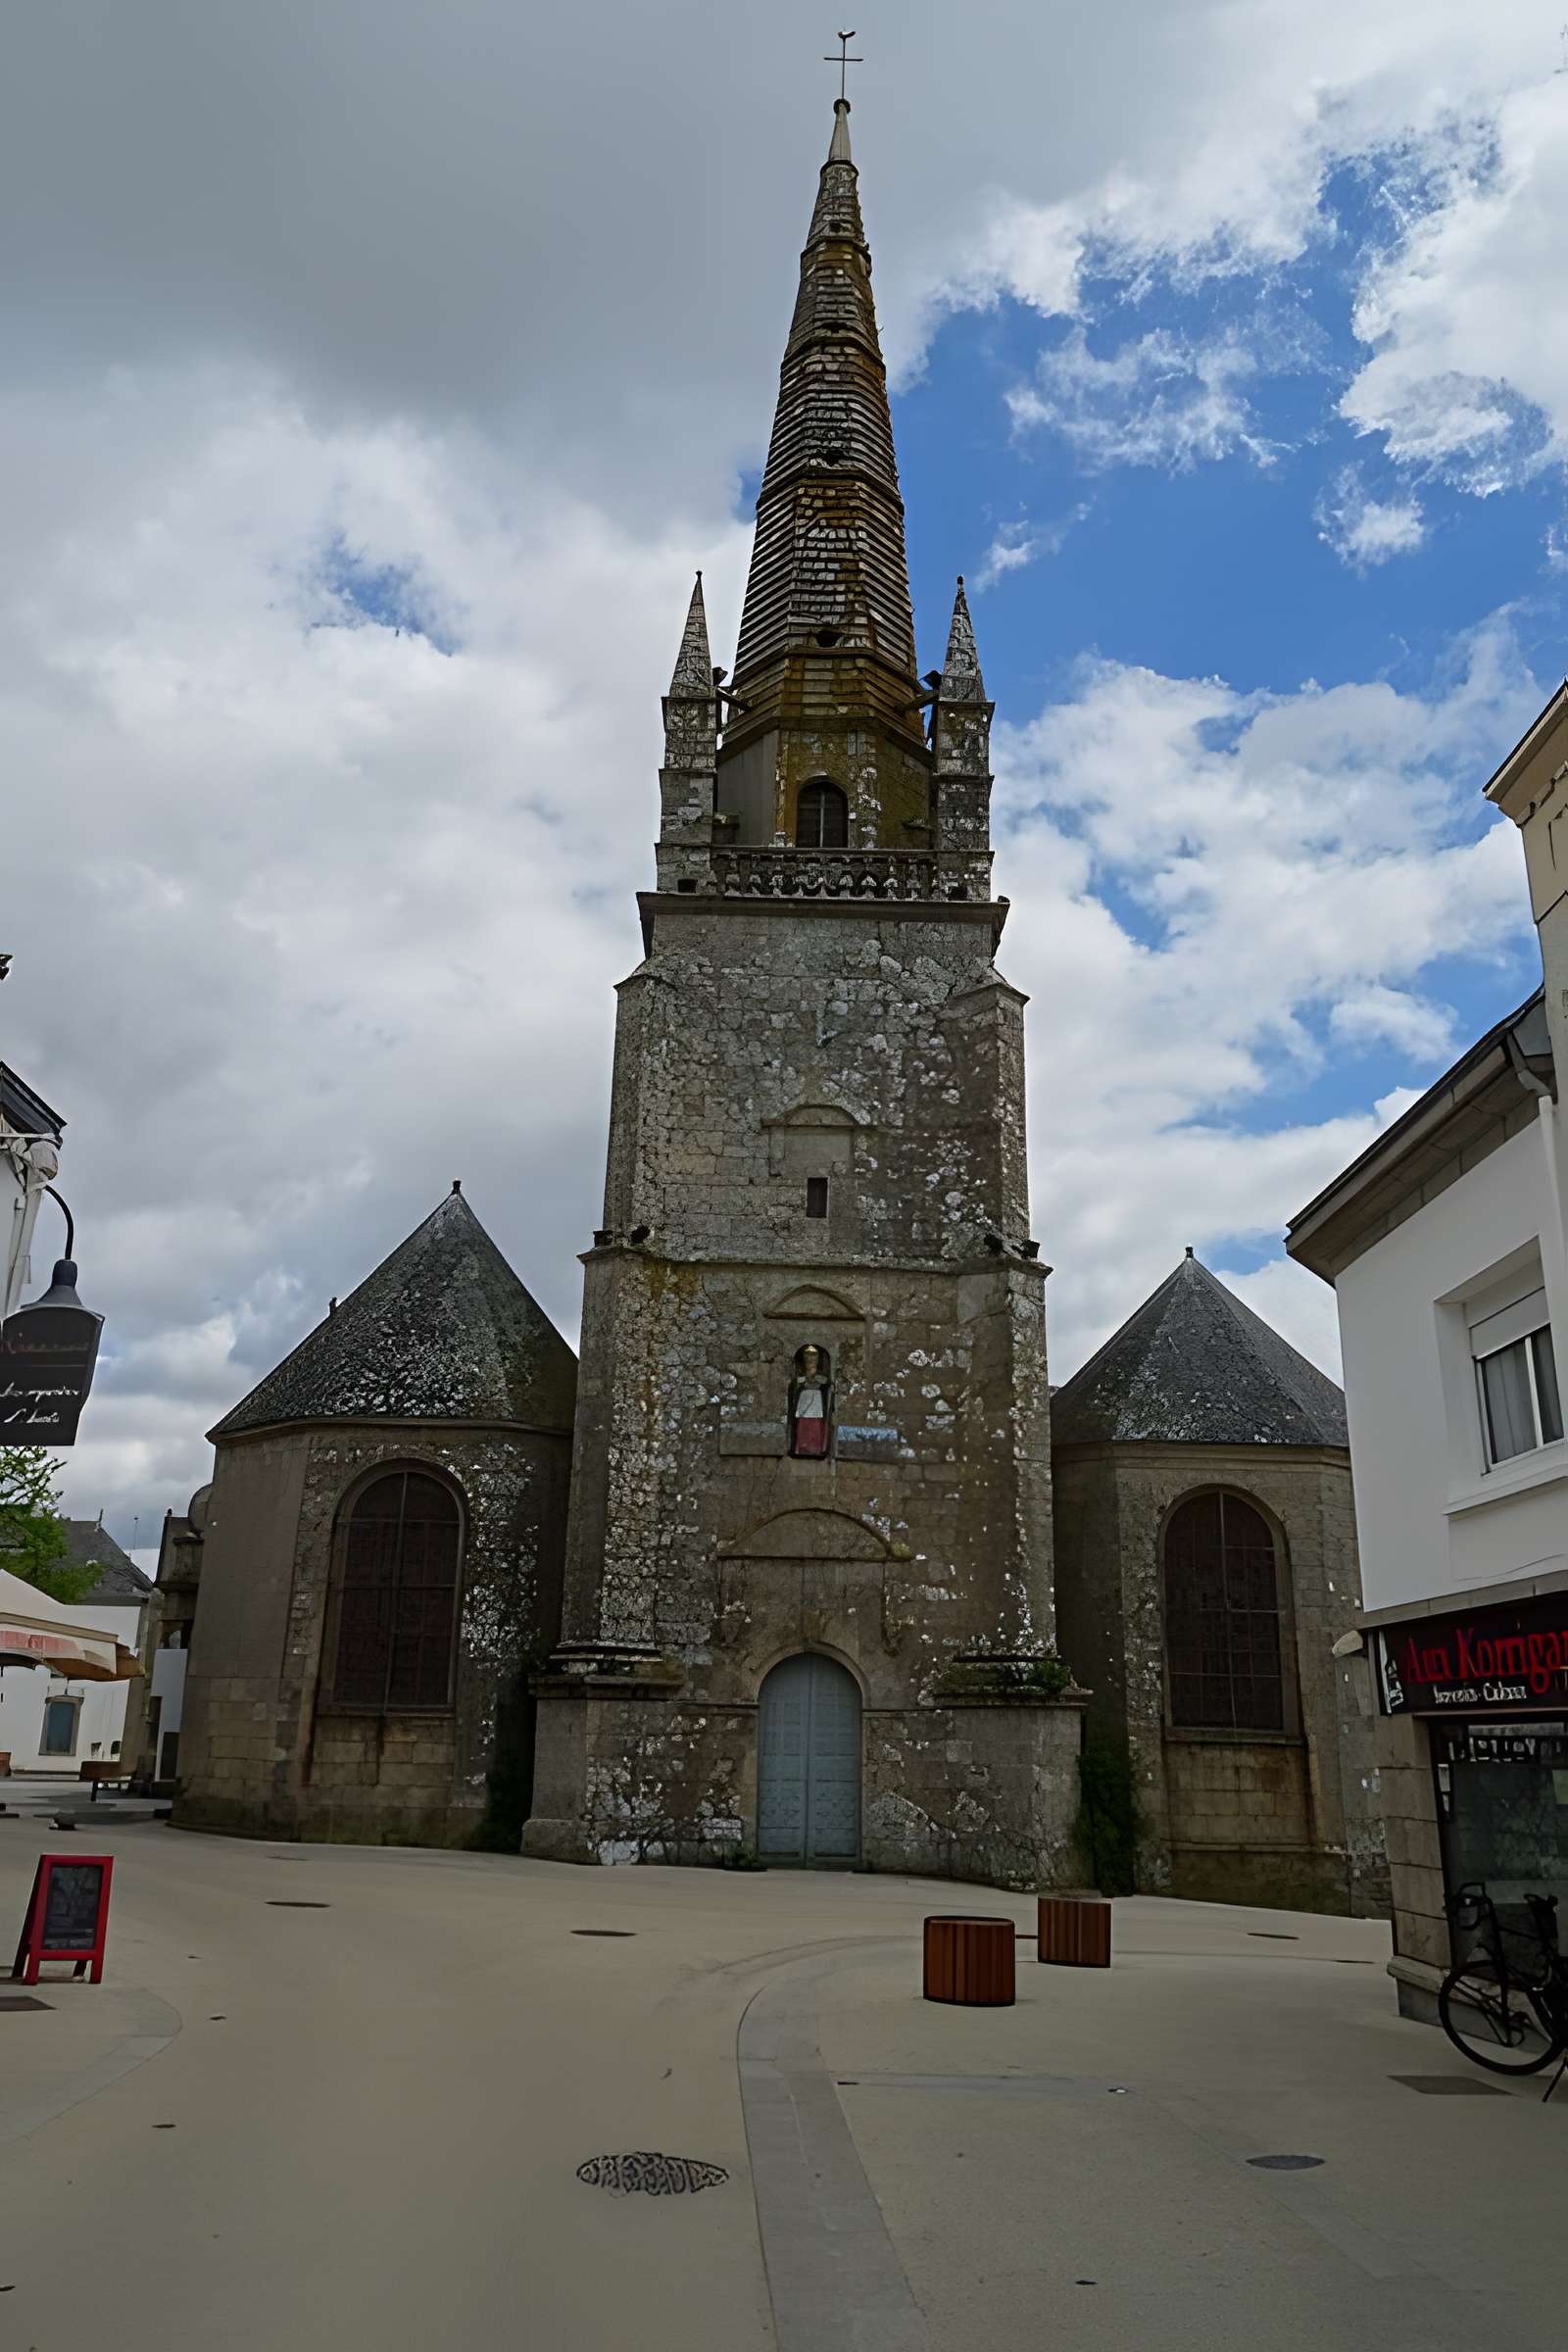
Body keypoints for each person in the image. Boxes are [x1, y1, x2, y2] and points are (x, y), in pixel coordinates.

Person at [790, 1345, 830, 1458]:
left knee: (815, 1424)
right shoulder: (802, 1375)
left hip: (816, 1399)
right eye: (809, 1360)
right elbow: (797, 1382)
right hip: (804, 1398)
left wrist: (814, 1378)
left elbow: (825, 1381)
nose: (811, 1363)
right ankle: (802, 1447)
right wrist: (806, 1380)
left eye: (813, 1360)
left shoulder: (820, 1375)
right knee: (803, 1423)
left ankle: (815, 1448)